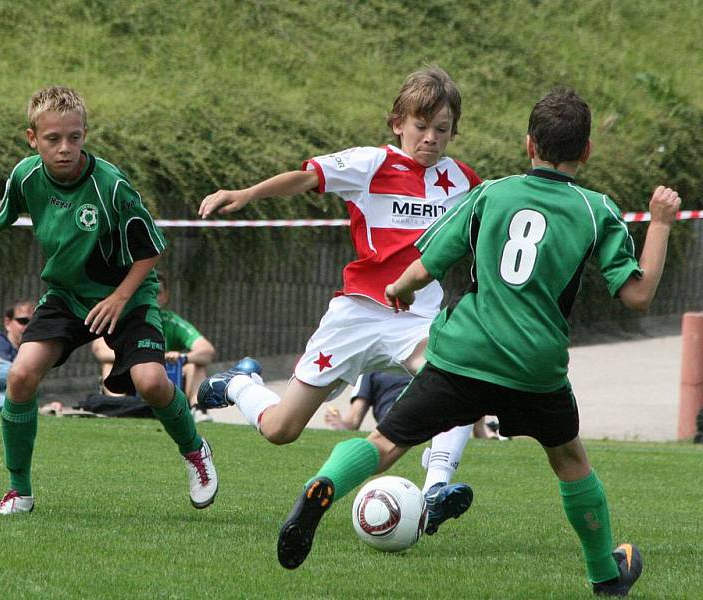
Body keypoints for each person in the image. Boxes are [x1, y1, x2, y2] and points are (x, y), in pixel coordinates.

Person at [276, 87, 681, 597]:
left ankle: (326, 488)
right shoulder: (596, 209)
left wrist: (399, 289)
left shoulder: (490, 193)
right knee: (571, 462)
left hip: (463, 354)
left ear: (528, 144)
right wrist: (661, 224)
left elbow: (425, 266)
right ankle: (605, 574)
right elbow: (638, 296)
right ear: (588, 151)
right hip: (535, 368)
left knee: (386, 442)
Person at [197, 66, 480, 530]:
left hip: (416, 319)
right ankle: (239, 385)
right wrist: (246, 193)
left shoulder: (464, 181)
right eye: (421, 127)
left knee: (453, 380)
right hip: (356, 315)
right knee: (281, 430)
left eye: (442, 130)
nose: (430, 138)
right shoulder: (372, 163)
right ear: (398, 123)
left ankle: (435, 491)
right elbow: (305, 178)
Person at [0, 86, 218, 515]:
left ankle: (195, 449)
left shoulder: (111, 185)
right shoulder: (26, 175)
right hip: (67, 297)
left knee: (151, 384)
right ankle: (20, 490)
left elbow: (152, 247)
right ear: (32, 138)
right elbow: (3, 210)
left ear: (84, 133)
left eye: (74, 137)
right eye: (53, 139)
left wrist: (120, 297)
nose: (65, 148)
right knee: (20, 376)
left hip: (129, 297)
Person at [90, 271, 216, 422]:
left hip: (167, 379)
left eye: (156, 292)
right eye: (146, 291)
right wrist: (139, 357)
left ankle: (198, 409)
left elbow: (207, 350)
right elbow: (99, 349)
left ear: (165, 297)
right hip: (131, 376)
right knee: (109, 364)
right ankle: (120, 407)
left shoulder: (172, 322)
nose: (152, 297)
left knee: (196, 365)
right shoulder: (121, 319)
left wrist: (183, 357)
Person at [326, 371, 505, 440]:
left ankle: (484, 432)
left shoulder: (425, 357)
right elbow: (354, 420)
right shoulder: (371, 369)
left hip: (436, 409)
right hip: (397, 418)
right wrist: (341, 424)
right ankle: (486, 433)